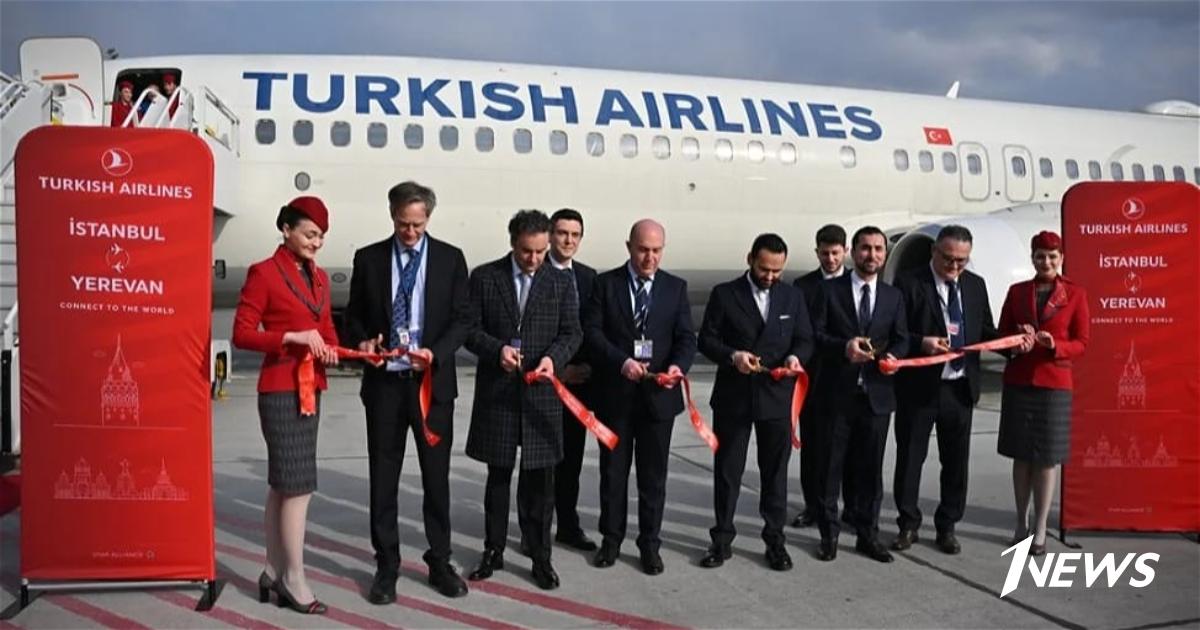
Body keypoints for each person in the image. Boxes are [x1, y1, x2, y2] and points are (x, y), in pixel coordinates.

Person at [343, 181, 471, 602]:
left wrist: (436, 352)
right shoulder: (370, 258)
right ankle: (387, 565)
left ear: (428, 218)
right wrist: (362, 342)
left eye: (417, 224)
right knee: (384, 478)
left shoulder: (450, 259)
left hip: (431, 385)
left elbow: (462, 320)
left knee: (436, 478)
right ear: (392, 215)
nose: (410, 232)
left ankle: (439, 560)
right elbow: (353, 317)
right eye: (403, 224)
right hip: (385, 386)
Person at [464, 210, 582, 591]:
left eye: (540, 252)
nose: (534, 259)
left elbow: (572, 333)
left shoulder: (560, 283)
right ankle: (493, 549)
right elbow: (469, 329)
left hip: (540, 396)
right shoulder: (486, 277)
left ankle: (540, 557)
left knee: (540, 484)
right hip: (498, 394)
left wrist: (553, 360)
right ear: (513, 242)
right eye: (527, 251)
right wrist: (496, 350)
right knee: (498, 478)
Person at [232, 196, 339, 615]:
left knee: (283, 484)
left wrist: (333, 348)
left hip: (312, 388)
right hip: (280, 390)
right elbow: (242, 333)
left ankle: (273, 570)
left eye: (321, 236)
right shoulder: (264, 273)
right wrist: (290, 338)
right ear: (287, 230)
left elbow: (325, 327)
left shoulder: (320, 278)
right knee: (297, 486)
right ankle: (294, 577)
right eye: (310, 234)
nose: (316, 242)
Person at [584, 219, 697, 575]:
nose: (650, 258)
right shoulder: (606, 284)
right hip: (616, 398)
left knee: (653, 478)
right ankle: (611, 540)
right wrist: (622, 362)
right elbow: (593, 333)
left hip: (658, 399)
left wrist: (677, 367)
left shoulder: (675, 288)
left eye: (656, 250)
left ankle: (649, 544)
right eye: (643, 250)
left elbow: (686, 337)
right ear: (629, 247)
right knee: (613, 474)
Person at [697, 233, 813, 571]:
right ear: (750, 259)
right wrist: (732, 356)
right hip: (735, 396)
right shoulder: (725, 294)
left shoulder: (792, 297)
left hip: (776, 397)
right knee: (728, 472)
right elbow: (706, 340)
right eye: (764, 269)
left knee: (775, 474)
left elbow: (805, 338)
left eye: (777, 271)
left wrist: (795, 357)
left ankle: (775, 541)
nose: (770, 276)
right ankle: (721, 540)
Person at [891, 225, 1000, 555]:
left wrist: (1016, 342)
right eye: (948, 259)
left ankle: (947, 525)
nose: (954, 266)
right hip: (919, 388)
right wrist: (921, 343)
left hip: (960, 388)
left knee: (955, 463)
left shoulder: (974, 285)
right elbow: (896, 333)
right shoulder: (910, 283)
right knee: (911, 459)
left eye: (961, 261)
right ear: (934, 252)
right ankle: (908, 523)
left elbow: (985, 331)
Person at [811, 225, 909, 563]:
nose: (872, 255)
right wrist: (844, 348)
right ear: (852, 252)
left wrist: (894, 356)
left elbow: (901, 338)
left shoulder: (893, 297)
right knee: (830, 470)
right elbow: (814, 335)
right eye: (865, 248)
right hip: (836, 395)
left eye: (878, 249)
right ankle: (829, 535)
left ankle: (868, 535)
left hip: (876, 396)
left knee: (870, 472)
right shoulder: (829, 291)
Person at [997, 230, 1089, 556]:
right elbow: (1001, 333)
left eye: (1052, 257)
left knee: (1047, 459)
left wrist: (1055, 346)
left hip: (1054, 383)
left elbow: (1082, 342)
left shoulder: (1075, 294)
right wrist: (1015, 341)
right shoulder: (1018, 292)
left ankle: (1039, 529)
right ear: (1032, 258)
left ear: (1061, 258)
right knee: (1021, 456)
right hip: (1021, 380)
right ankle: (1020, 523)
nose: (1046, 262)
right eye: (1040, 256)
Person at [547, 208, 600, 552]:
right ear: (551, 235)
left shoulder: (588, 277)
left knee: (571, 462)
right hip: (543, 382)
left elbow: (592, 329)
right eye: (562, 233)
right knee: (539, 465)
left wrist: (585, 368)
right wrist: (557, 369)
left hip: (577, 386)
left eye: (575, 235)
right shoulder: (536, 270)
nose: (568, 240)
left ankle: (567, 524)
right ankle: (534, 530)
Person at [790, 224, 848, 528]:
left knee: (847, 449)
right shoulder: (803, 287)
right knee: (812, 447)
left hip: (848, 378)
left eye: (835, 253)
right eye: (825, 253)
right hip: (814, 378)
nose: (830, 259)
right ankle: (813, 506)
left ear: (845, 252)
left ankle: (849, 508)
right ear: (817, 252)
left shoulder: (855, 284)